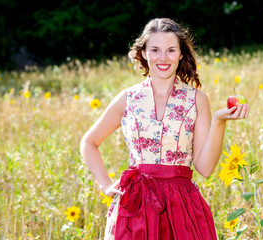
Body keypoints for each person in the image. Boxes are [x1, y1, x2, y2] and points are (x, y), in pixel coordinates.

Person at [80, 18, 249, 240]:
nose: (163, 57)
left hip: (182, 207)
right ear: (144, 54)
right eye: (155, 50)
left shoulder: (196, 99)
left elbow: (205, 168)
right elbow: (89, 142)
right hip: (135, 206)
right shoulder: (128, 98)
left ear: (181, 54)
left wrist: (219, 122)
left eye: (171, 50)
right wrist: (105, 185)